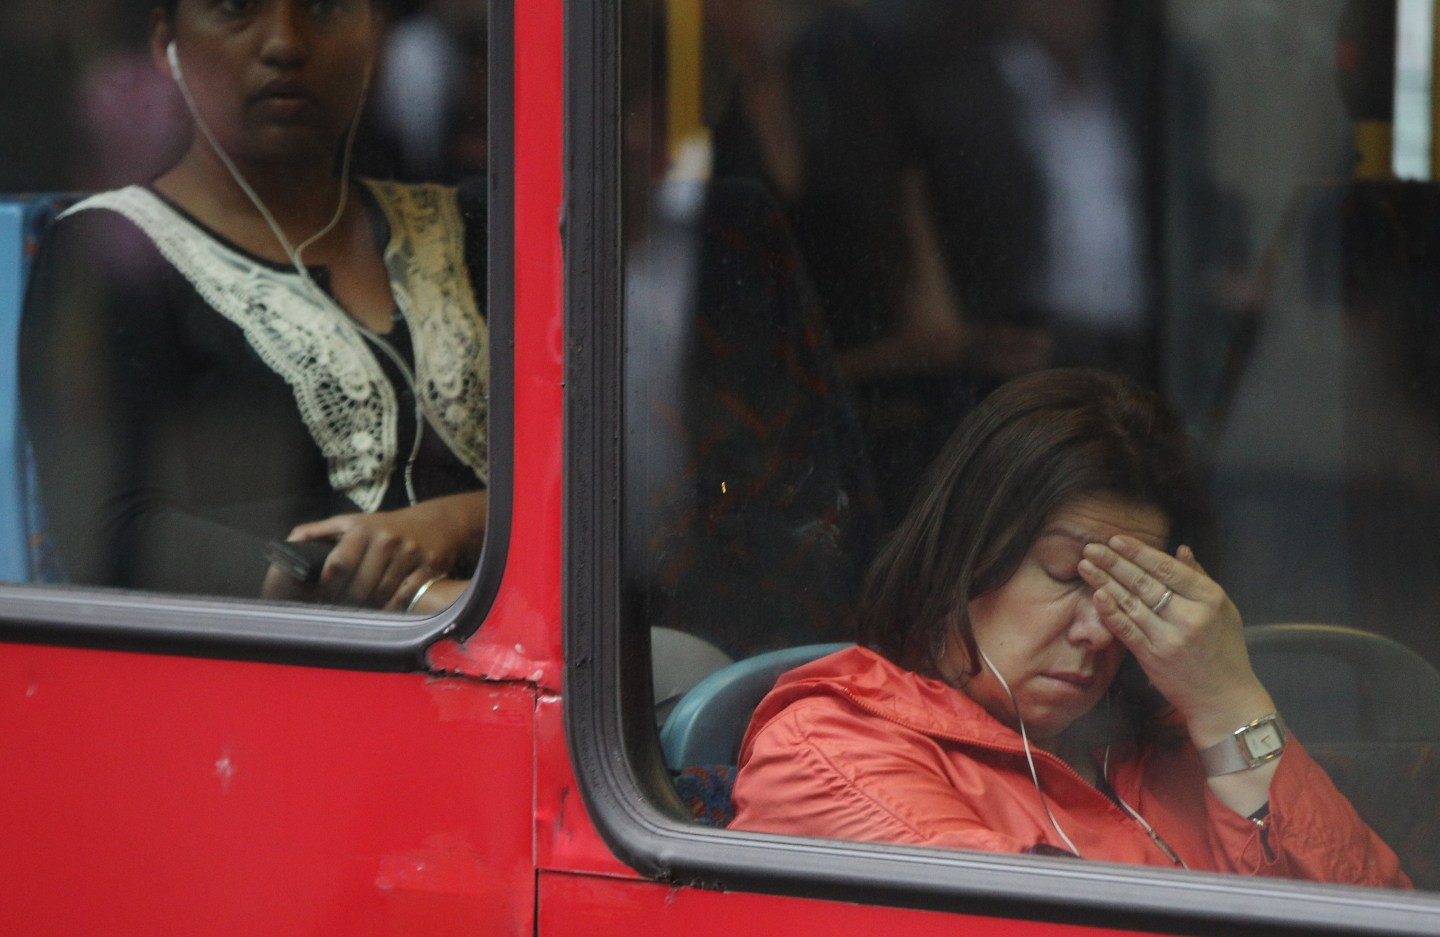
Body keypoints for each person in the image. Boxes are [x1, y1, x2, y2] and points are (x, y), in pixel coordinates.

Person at [731, 369, 1409, 886]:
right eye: (1065, 574)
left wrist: (1232, 702)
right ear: (965, 554)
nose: (1100, 630)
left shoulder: (1183, 736)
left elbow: (1373, 908)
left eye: (1130, 594)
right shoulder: (829, 750)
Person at [19, 0, 489, 612]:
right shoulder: (111, 254)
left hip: (527, 625)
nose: (285, 43)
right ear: (166, 42)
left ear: (373, 35)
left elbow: (584, 459)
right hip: (284, 655)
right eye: (236, 8)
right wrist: (408, 595)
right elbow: (114, 532)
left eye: (324, 7)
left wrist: (452, 523)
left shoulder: (466, 226)